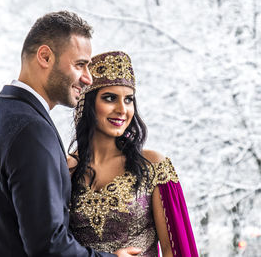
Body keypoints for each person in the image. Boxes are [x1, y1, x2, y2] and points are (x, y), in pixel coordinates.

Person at [0, 11, 140, 257]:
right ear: (45, 56)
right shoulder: (31, 131)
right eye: (80, 65)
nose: (88, 78)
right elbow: (49, 247)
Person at [68, 51, 198, 256]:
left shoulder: (153, 166)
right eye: (110, 98)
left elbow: (173, 249)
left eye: (129, 100)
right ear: (86, 103)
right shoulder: (66, 169)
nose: (122, 109)